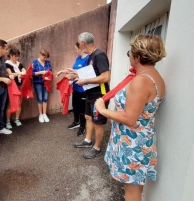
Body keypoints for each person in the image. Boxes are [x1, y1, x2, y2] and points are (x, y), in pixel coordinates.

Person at [95, 35, 166, 201]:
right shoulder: (156, 77)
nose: (129, 57)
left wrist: (102, 109)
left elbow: (129, 118)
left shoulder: (141, 81)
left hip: (132, 144)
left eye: (130, 53)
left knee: (131, 191)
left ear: (138, 57)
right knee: (136, 188)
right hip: (141, 140)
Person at [73, 32, 110, 159]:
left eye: (78, 43)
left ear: (83, 43)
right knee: (88, 117)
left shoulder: (100, 55)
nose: (78, 45)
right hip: (91, 93)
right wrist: (74, 74)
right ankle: (88, 141)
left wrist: (86, 81)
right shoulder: (91, 56)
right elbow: (90, 73)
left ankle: (97, 148)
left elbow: (105, 77)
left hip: (100, 94)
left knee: (98, 122)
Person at [55, 42, 89, 136]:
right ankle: (76, 122)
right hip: (75, 87)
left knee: (82, 109)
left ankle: (82, 127)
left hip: (83, 89)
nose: (75, 50)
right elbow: (74, 70)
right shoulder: (78, 58)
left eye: (76, 49)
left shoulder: (87, 59)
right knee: (75, 106)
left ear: (80, 48)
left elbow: (87, 75)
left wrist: (72, 75)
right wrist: (62, 71)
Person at [5, 48, 26, 129]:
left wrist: (21, 73)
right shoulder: (7, 64)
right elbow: (11, 74)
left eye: (18, 56)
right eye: (15, 56)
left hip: (20, 85)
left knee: (19, 103)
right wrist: (21, 73)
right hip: (12, 86)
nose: (17, 58)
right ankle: (8, 121)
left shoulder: (19, 64)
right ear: (11, 55)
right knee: (10, 104)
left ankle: (17, 119)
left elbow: (25, 72)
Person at [32, 49, 52, 123]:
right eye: (44, 57)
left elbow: (50, 72)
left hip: (46, 82)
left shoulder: (48, 62)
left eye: (46, 57)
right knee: (40, 98)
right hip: (38, 82)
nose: (45, 59)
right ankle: (40, 114)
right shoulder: (35, 62)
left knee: (45, 98)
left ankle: (44, 114)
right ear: (40, 55)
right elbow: (32, 73)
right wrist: (41, 72)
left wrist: (48, 76)